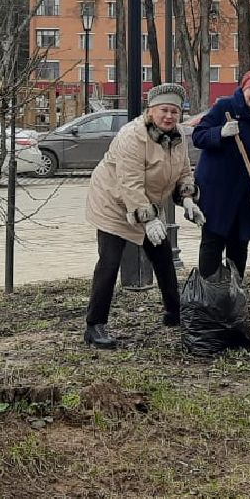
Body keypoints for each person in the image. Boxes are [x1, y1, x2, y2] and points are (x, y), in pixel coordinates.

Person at [82, 83, 205, 349]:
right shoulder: (132, 137)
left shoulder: (178, 136)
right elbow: (129, 183)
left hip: (146, 202)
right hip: (112, 202)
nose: (169, 116)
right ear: (151, 111)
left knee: (162, 257)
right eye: (164, 110)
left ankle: (174, 312)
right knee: (110, 261)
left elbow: (184, 170)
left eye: (174, 111)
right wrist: (149, 220)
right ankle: (95, 326)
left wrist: (187, 199)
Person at [191, 68, 250, 278]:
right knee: (212, 244)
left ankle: (232, 296)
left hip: (248, 198)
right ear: (243, 88)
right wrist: (220, 133)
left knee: (239, 247)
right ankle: (208, 296)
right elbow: (199, 136)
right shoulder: (225, 107)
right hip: (218, 196)